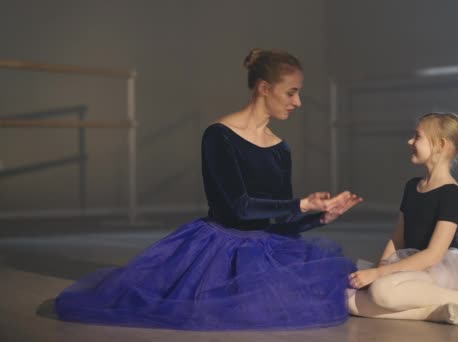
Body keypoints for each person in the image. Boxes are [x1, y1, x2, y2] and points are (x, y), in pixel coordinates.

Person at [55, 48, 362, 331]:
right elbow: (237, 207)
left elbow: (279, 218)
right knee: (224, 309)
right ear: (264, 88)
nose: (298, 102)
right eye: (292, 93)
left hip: (266, 248)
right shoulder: (219, 136)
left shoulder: (281, 148)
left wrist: (319, 216)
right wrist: (303, 205)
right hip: (219, 249)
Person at [347, 112, 458, 325]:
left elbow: (434, 254)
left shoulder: (452, 194)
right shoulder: (412, 186)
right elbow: (398, 237)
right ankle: (433, 312)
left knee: (381, 291)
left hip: (439, 268)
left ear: (441, 144)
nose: (410, 141)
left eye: (417, 136)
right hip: (408, 265)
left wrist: (379, 275)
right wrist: (380, 267)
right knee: (348, 299)